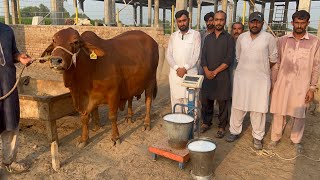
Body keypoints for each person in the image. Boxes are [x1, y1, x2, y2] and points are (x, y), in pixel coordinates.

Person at [268, 10, 320, 153]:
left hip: (302, 85)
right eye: (297, 22)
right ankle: (275, 138)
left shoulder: (315, 42)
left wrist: (312, 88)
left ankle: (296, 140)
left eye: (302, 23)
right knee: (279, 111)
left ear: (307, 23)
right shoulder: (283, 40)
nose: (299, 26)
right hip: (283, 82)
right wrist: (273, 83)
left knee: (299, 113)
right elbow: (276, 64)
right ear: (292, 23)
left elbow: (316, 66)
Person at [226, 12, 278, 150]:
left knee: (258, 109)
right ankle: (234, 131)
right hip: (242, 78)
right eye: (252, 21)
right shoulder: (242, 37)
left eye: (258, 22)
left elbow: (273, 59)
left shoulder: (268, 38)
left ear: (262, 23)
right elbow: (238, 56)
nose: (255, 24)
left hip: (260, 80)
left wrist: (260, 68)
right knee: (238, 106)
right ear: (248, 23)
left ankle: (258, 137)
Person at [0, 22, 32, 173]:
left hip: (7, 84)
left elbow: (12, 53)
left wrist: (20, 57)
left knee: (10, 121)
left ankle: (9, 161)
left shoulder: (7, 30)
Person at [200, 10, 235, 138]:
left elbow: (229, 59)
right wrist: (206, 70)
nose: (218, 22)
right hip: (207, 74)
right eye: (216, 19)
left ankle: (221, 126)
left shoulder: (229, 38)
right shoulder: (208, 38)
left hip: (221, 75)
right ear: (213, 21)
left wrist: (214, 72)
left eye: (221, 20)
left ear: (224, 21)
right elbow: (203, 57)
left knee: (223, 102)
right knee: (206, 100)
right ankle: (206, 123)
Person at [166, 10, 201, 112]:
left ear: (189, 20)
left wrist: (185, 68)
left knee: (191, 102)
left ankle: (192, 127)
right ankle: (178, 127)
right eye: (179, 21)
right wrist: (177, 69)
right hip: (175, 75)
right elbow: (168, 55)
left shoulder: (196, 35)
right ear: (176, 22)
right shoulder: (173, 36)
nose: (182, 23)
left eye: (184, 20)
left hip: (190, 73)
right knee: (177, 103)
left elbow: (196, 55)